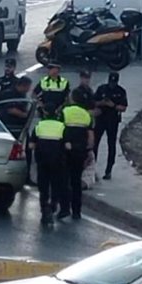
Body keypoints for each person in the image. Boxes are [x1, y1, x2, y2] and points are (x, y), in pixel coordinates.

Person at [29, 104, 67, 226]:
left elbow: (31, 145)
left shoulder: (39, 126)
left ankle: (44, 207)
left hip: (42, 161)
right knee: (56, 184)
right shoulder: (62, 127)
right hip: (57, 161)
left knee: (43, 186)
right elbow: (67, 145)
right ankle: (53, 205)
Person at [59, 89, 94, 220]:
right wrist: (89, 151)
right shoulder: (86, 115)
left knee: (64, 180)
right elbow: (91, 136)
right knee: (76, 182)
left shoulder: (65, 112)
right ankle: (77, 211)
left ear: (72, 99)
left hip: (66, 151)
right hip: (80, 152)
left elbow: (60, 130)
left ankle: (64, 209)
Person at [93, 72, 128, 180]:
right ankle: (92, 168)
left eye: (114, 82)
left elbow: (124, 107)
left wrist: (113, 105)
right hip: (100, 119)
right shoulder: (102, 89)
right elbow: (93, 102)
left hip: (112, 120)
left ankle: (108, 170)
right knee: (95, 143)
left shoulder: (121, 91)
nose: (112, 84)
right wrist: (102, 103)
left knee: (111, 145)